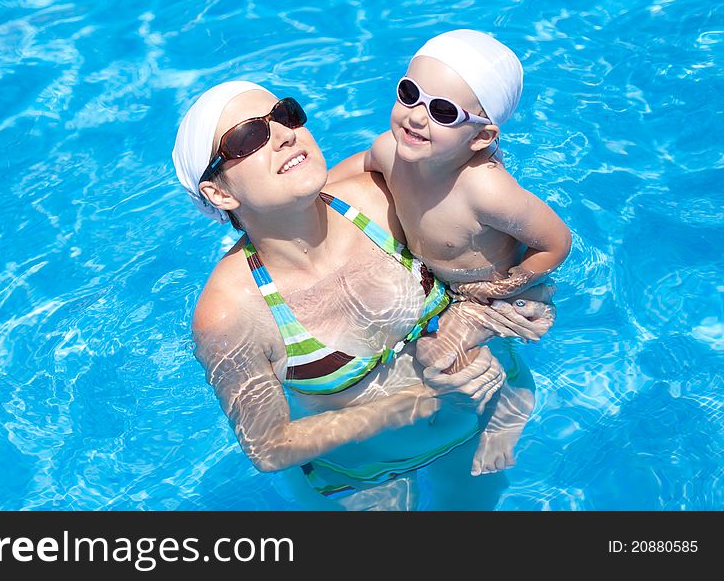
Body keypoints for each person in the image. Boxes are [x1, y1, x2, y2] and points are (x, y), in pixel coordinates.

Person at [172, 80, 555, 509]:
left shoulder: (384, 198)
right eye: (249, 137)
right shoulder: (230, 312)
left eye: (285, 114)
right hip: (370, 475)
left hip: (487, 418)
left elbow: (512, 272)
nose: (284, 134)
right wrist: (419, 401)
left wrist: (480, 320)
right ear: (219, 193)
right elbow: (269, 446)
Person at [328, 29, 572, 476]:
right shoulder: (391, 150)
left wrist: (505, 287)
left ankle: (511, 400)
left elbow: (556, 241)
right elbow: (354, 168)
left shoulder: (485, 189)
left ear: (481, 138)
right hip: (440, 283)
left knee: (436, 356)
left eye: (442, 111)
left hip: (490, 291)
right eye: (409, 94)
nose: (417, 117)